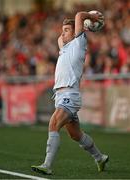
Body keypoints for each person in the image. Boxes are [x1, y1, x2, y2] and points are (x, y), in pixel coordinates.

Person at [31, 11, 109, 175]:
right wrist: (69, 27)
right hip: (60, 96)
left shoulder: (78, 43)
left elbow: (80, 15)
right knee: (76, 135)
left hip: (70, 95)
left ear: (76, 32)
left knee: (53, 123)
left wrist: (91, 19)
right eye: (63, 29)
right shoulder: (65, 47)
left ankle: (47, 165)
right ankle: (100, 157)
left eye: (67, 30)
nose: (62, 33)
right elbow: (61, 38)